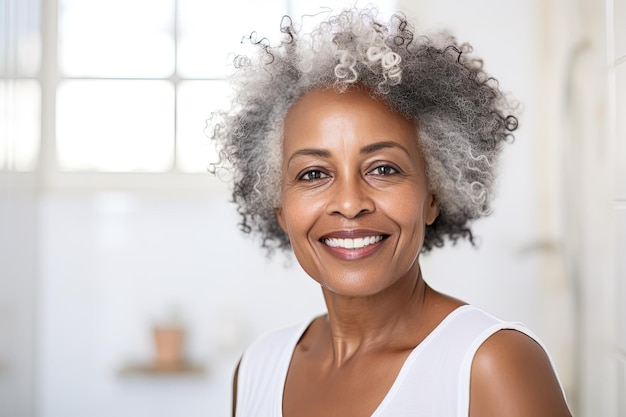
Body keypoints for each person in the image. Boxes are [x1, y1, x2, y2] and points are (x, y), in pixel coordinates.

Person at [209, 7, 572, 417]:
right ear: (279, 209)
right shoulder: (259, 368)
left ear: (433, 194)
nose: (349, 203)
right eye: (313, 174)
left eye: (383, 168)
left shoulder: (491, 365)